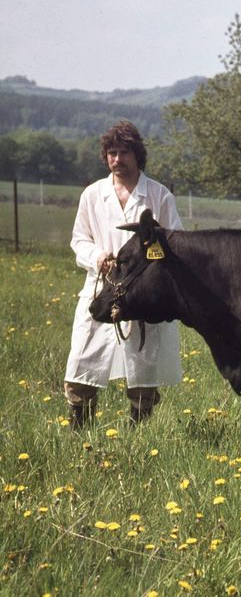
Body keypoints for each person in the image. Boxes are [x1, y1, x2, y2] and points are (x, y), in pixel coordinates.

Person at [64, 120, 184, 427]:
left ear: (137, 155)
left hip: (144, 295)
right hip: (100, 288)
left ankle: (138, 435)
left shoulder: (158, 196)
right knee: (83, 361)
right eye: (111, 153)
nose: (117, 159)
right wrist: (97, 256)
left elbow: (176, 242)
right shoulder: (92, 194)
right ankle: (80, 431)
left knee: (142, 368)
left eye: (124, 152)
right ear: (105, 157)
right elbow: (79, 240)